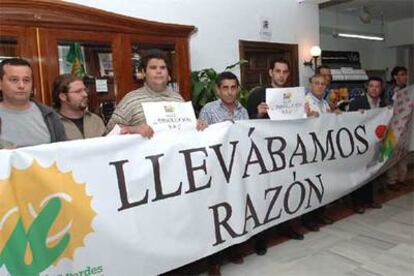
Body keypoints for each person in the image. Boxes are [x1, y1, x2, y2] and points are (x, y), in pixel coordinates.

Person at [246, 58, 304, 257]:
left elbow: (299, 124)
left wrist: (306, 113)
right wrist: (259, 114)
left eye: (285, 72)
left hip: (288, 152)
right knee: (266, 194)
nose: (281, 75)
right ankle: (261, 238)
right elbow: (245, 125)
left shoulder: (294, 95)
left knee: (288, 190)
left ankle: (286, 227)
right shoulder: (257, 94)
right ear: (270, 72)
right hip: (263, 155)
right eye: (277, 71)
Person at [107, 49, 206, 136]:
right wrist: (133, 130)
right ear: (143, 72)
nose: (159, 71)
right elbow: (109, 132)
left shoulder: (178, 99)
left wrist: (197, 124)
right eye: (153, 68)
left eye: (163, 68)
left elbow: (187, 131)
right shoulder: (131, 100)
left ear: (168, 73)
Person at [0, 58, 66, 147]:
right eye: (14, 80)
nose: (21, 86)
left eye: (26, 80)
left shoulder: (49, 115)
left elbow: (63, 151)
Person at [301, 74, 335, 231]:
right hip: (309, 151)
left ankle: (320, 214)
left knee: (322, 184)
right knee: (310, 186)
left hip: (324, 150)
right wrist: (306, 117)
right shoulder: (304, 103)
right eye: (316, 83)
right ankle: (308, 219)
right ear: (310, 85)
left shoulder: (325, 104)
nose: (320, 86)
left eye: (323, 84)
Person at [349, 76, 385, 213]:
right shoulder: (357, 103)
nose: (374, 89)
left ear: (381, 89)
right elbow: (349, 123)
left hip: (375, 144)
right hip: (360, 144)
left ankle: (368, 200)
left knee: (370, 173)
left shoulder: (383, 104)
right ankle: (357, 203)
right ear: (367, 87)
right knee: (359, 174)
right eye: (371, 86)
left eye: (377, 86)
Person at [52, 74, 106, 140]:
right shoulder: (52, 124)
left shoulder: (96, 120)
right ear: (63, 97)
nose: (85, 94)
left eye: (85, 90)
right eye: (78, 91)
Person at [384, 66, 410, 190]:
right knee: (392, 153)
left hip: (405, 125)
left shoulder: (407, 89)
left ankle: (401, 178)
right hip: (393, 126)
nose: (404, 77)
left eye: (405, 74)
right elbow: (387, 106)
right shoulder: (390, 90)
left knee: (403, 152)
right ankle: (391, 180)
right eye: (401, 74)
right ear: (395, 76)